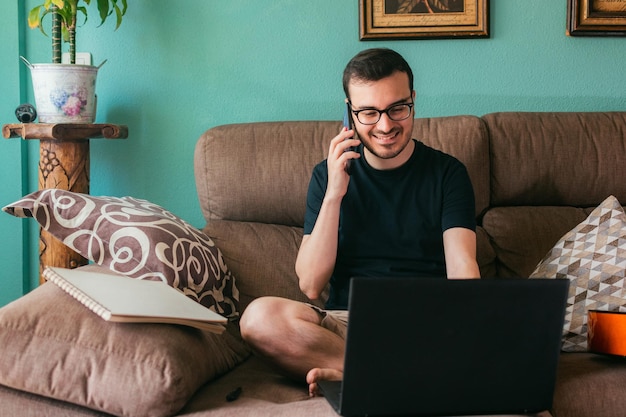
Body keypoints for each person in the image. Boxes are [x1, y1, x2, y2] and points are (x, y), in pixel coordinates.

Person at [239, 48, 480, 397]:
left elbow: (463, 267)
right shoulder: (326, 176)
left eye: (398, 108)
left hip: (426, 326)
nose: (385, 125)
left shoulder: (448, 174)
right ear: (349, 113)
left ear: (413, 100)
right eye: (368, 112)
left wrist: (469, 327)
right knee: (258, 318)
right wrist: (335, 192)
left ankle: (360, 376)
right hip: (349, 325)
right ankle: (389, 376)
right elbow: (310, 285)